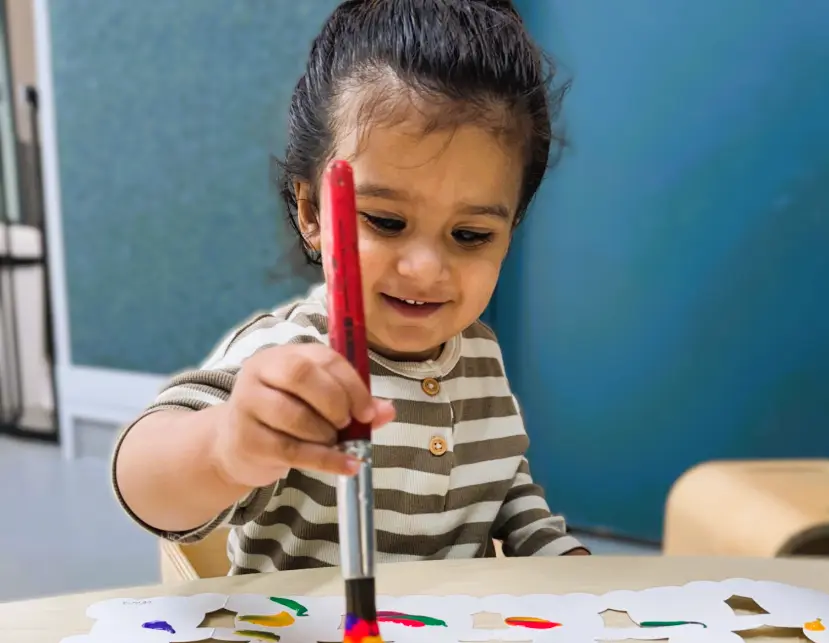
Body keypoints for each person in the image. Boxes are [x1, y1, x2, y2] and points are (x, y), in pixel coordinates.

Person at [113, 0, 588, 573]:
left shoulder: (480, 356)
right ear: (313, 212)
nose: (424, 268)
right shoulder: (289, 359)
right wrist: (224, 447)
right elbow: (144, 480)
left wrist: (569, 564)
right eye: (386, 222)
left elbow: (507, 491)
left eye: (470, 234)